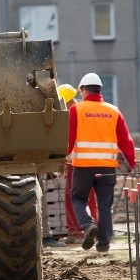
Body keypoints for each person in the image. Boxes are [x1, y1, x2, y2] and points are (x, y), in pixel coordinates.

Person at [67, 72, 136, 252]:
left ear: (83, 90)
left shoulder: (77, 109)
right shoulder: (113, 111)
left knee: (78, 198)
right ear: (99, 90)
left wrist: (61, 156)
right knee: (105, 205)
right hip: (107, 167)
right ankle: (104, 244)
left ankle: (88, 224)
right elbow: (126, 141)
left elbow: (69, 138)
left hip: (83, 167)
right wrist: (130, 164)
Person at [57, 83, 99, 245]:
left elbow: (67, 140)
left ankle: (75, 232)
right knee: (90, 196)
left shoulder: (70, 114)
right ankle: (93, 228)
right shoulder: (84, 111)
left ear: (65, 102)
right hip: (91, 160)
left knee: (72, 196)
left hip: (76, 161)